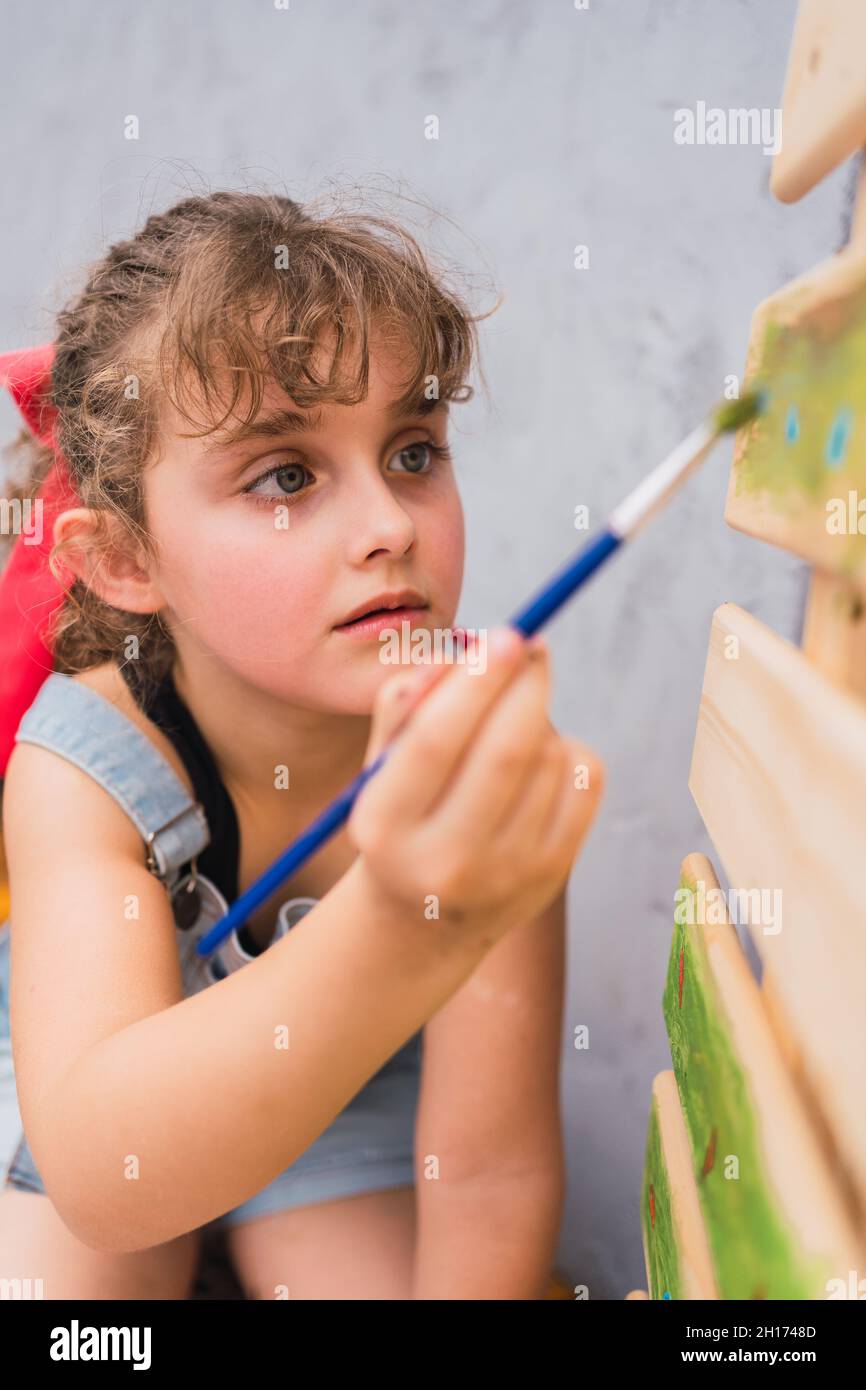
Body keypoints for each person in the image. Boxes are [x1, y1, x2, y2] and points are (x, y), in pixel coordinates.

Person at [0, 187, 604, 1299]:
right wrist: (409, 923)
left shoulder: (481, 760)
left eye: (414, 450)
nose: (389, 526)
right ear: (128, 560)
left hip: (340, 1085)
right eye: (286, 476)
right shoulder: (80, 763)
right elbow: (103, 1169)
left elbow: (487, 1170)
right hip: (97, 1081)